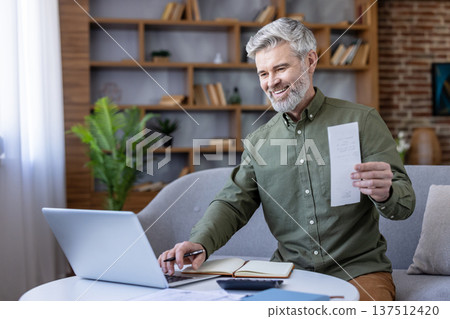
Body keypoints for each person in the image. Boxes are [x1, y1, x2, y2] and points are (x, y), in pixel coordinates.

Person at [158, 18, 415, 301]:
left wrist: (386, 192)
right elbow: (233, 204)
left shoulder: (362, 120)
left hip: (359, 271)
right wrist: (199, 243)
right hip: (289, 273)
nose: (271, 82)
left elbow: (404, 206)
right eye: (263, 73)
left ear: (310, 61)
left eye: (280, 68)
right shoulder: (259, 141)